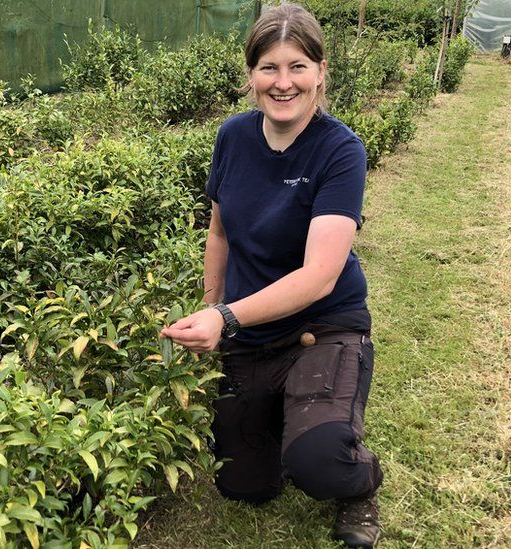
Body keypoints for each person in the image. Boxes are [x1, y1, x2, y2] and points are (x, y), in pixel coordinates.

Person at [160, 4, 384, 548]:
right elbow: (219, 233)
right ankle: (295, 416)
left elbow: (318, 277)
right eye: (269, 68)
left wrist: (225, 315)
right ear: (251, 75)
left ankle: (360, 485)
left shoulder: (339, 150)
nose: (283, 83)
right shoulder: (233, 137)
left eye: (298, 66)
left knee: (318, 463)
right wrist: (210, 307)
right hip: (251, 334)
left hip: (321, 326)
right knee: (245, 485)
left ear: (321, 72)